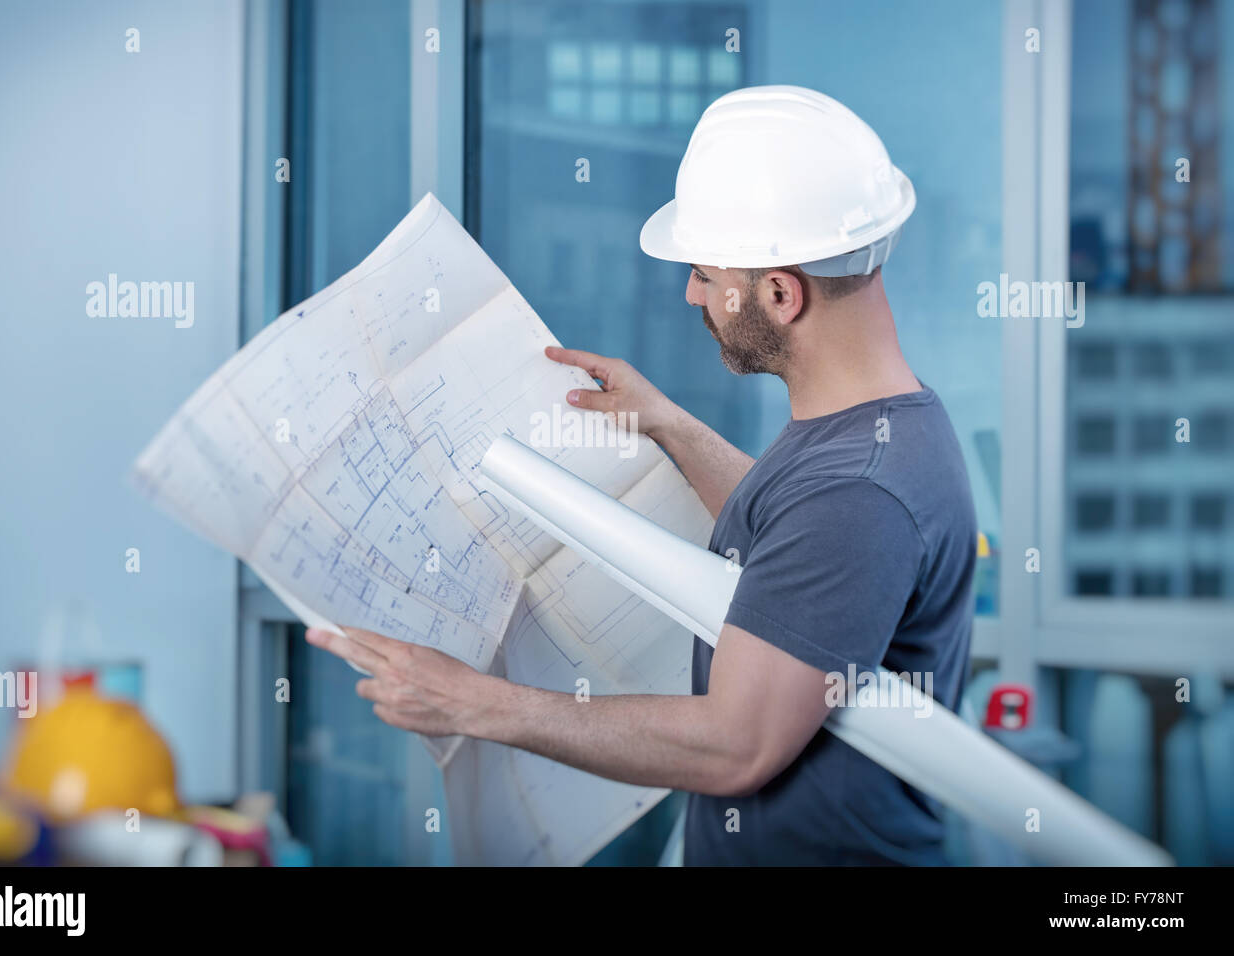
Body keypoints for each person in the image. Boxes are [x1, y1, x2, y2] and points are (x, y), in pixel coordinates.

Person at [306, 86, 977, 865]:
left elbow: (736, 744)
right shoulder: (873, 434)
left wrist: (474, 704)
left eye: (703, 274)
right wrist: (667, 425)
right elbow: (794, 549)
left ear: (782, 294)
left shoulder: (859, 489)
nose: (691, 292)